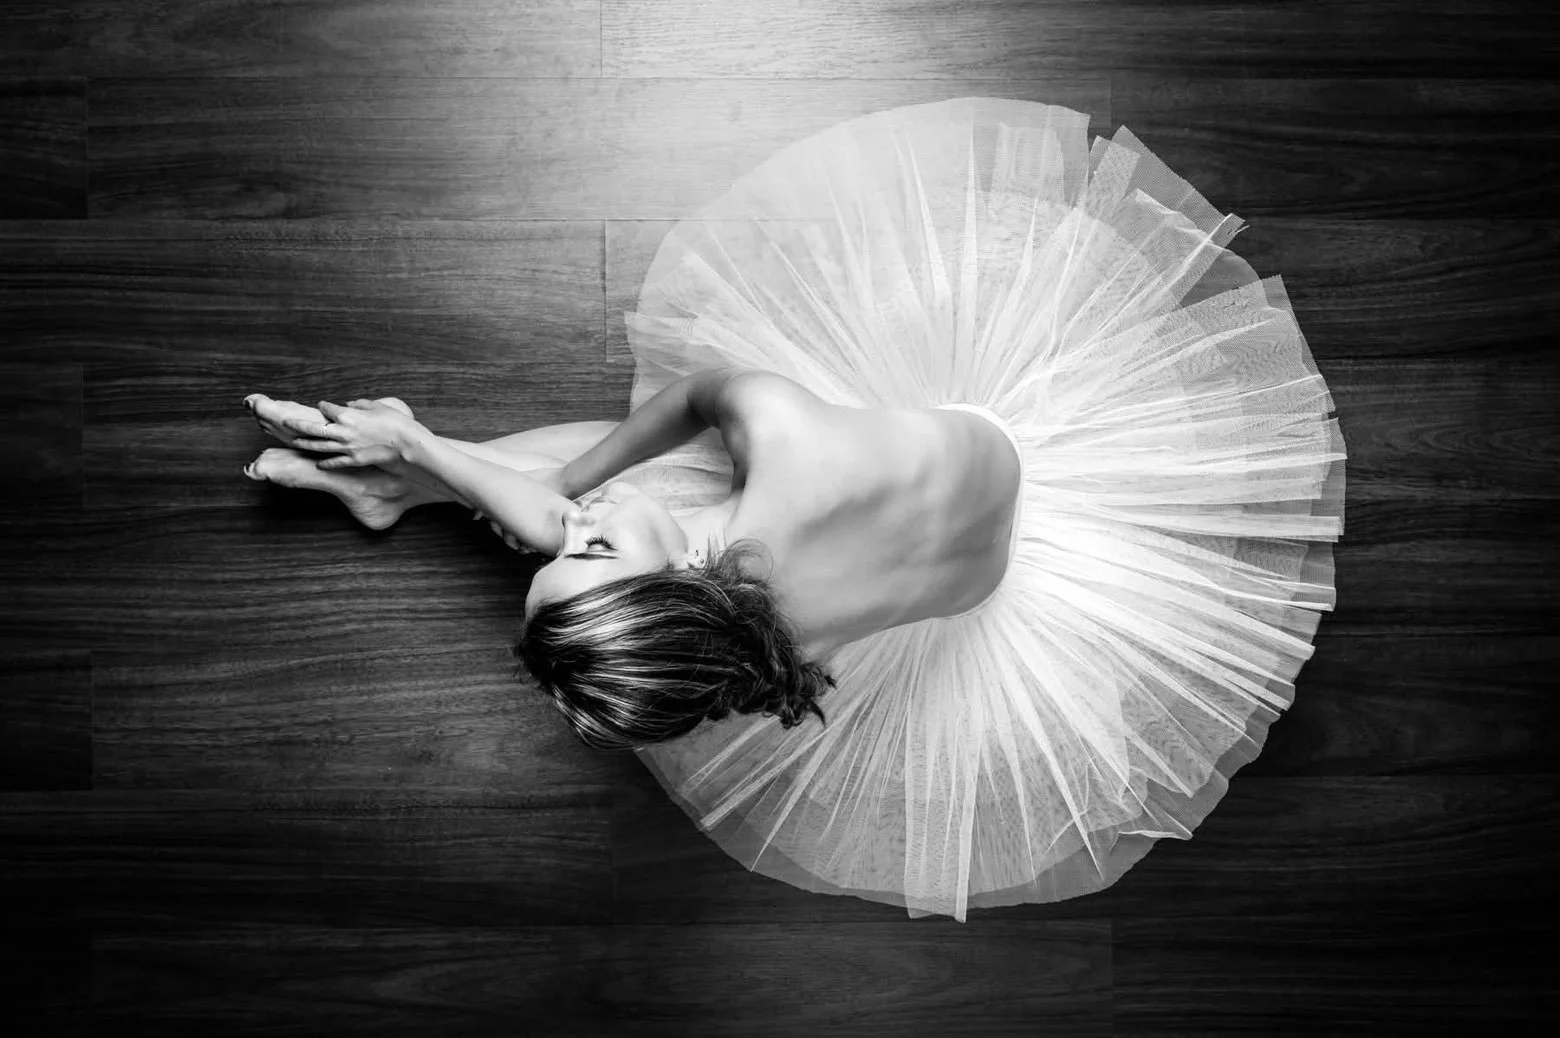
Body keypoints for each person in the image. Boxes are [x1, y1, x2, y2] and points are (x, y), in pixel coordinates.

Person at [243, 96, 1346, 922]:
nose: (571, 528)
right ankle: (396, 484)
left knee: (624, 485)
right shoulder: (766, 501)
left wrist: (479, 463)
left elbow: (651, 448)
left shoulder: (766, 541)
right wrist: (441, 450)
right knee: (618, 492)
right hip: (974, 521)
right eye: (587, 550)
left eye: (568, 545)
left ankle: (397, 483)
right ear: (687, 597)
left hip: (964, 538)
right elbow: (602, 494)